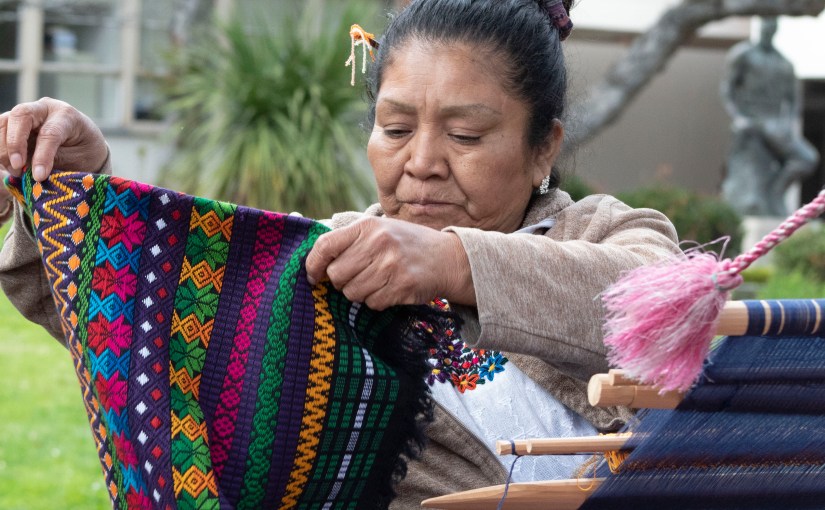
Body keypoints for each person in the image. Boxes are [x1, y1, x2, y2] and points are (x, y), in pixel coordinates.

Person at [0, 0, 679, 506]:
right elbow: (140, 315)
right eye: (395, 127)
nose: (421, 164)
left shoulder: (600, 233)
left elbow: (668, 302)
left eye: (466, 136)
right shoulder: (321, 270)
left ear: (544, 147)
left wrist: (453, 263)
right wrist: (78, 194)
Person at [720, 16, 818, 217]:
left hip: (775, 124)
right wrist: (739, 117)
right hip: (753, 119)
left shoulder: (784, 63)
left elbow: (793, 101)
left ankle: (775, 192)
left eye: (771, 25)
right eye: (765, 24)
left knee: (808, 158)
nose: (768, 28)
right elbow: (727, 90)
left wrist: (788, 124)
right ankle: (762, 195)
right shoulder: (744, 55)